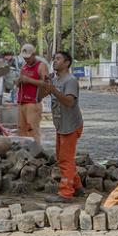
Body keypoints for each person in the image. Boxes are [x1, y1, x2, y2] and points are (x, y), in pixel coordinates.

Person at [43, 51, 84, 203]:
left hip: (71, 125)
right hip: (62, 125)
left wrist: (53, 89)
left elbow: (69, 102)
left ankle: (66, 193)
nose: (54, 61)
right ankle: (78, 187)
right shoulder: (57, 80)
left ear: (67, 63)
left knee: (66, 159)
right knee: (63, 158)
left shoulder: (70, 80)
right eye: (54, 59)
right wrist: (46, 84)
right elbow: (40, 96)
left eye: (58, 59)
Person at [15, 44, 49, 145]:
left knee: (32, 130)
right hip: (21, 102)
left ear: (34, 54)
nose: (26, 60)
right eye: (24, 58)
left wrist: (28, 80)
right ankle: (24, 152)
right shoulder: (24, 66)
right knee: (21, 130)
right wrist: (18, 81)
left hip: (33, 102)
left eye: (28, 58)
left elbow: (46, 83)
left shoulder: (41, 66)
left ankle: (36, 151)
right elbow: (20, 81)